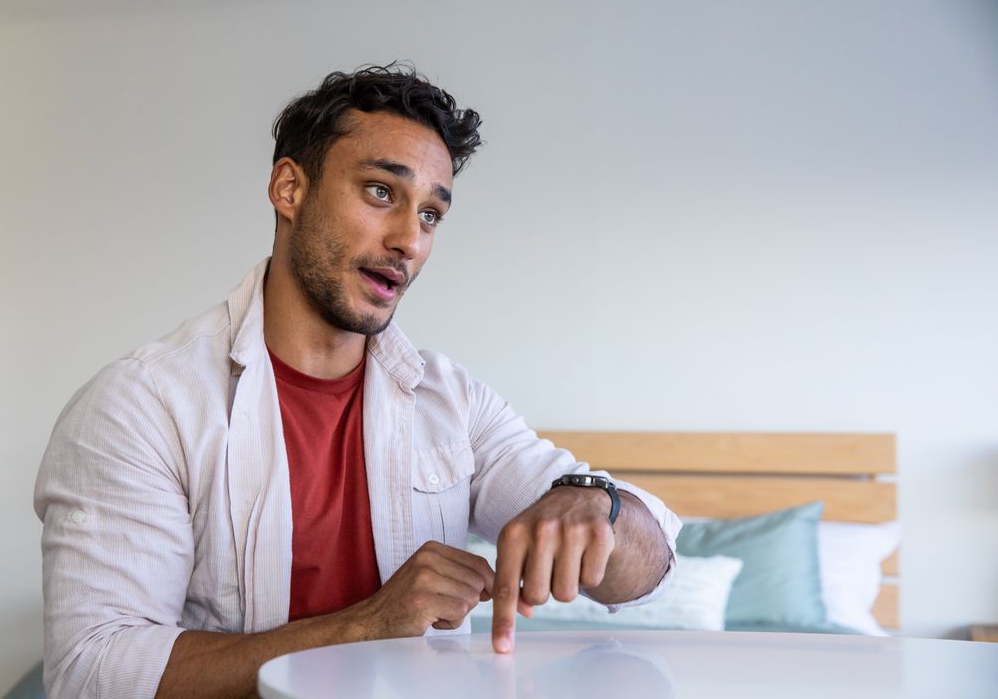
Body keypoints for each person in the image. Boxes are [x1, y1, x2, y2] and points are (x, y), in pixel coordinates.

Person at [34, 63, 680, 699]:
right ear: (290, 189)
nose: (409, 240)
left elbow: (649, 576)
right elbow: (93, 671)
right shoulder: (141, 404)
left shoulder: (452, 403)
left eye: (431, 214)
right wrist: (364, 627)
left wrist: (597, 505)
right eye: (380, 192)